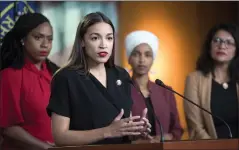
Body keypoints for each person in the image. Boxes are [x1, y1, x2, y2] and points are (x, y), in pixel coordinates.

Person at [46, 12, 151, 146]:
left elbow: (122, 131)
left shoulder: (121, 75)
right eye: (95, 38)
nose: (103, 45)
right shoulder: (66, 78)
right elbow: (60, 137)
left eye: (109, 38)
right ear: (82, 41)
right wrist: (107, 131)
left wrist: (135, 131)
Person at [0, 13, 59, 150]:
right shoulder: (10, 76)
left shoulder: (56, 74)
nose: (45, 44)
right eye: (38, 37)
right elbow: (8, 129)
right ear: (23, 39)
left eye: (50, 39)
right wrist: (46, 148)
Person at [125, 30, 183, 142]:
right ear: (129, 58)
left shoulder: (166, 92)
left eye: (147, 55)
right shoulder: (121, 91)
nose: (142, 60)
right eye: (136, 54)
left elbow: (177, 130)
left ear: (153, 59)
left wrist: (161, 138)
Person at [184, 23, 239, 139]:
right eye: (217, 40)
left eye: (229, 42)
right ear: (209, 46)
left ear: (236, 50)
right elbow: (195, 127)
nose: (222, 46)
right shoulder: (194, 80)